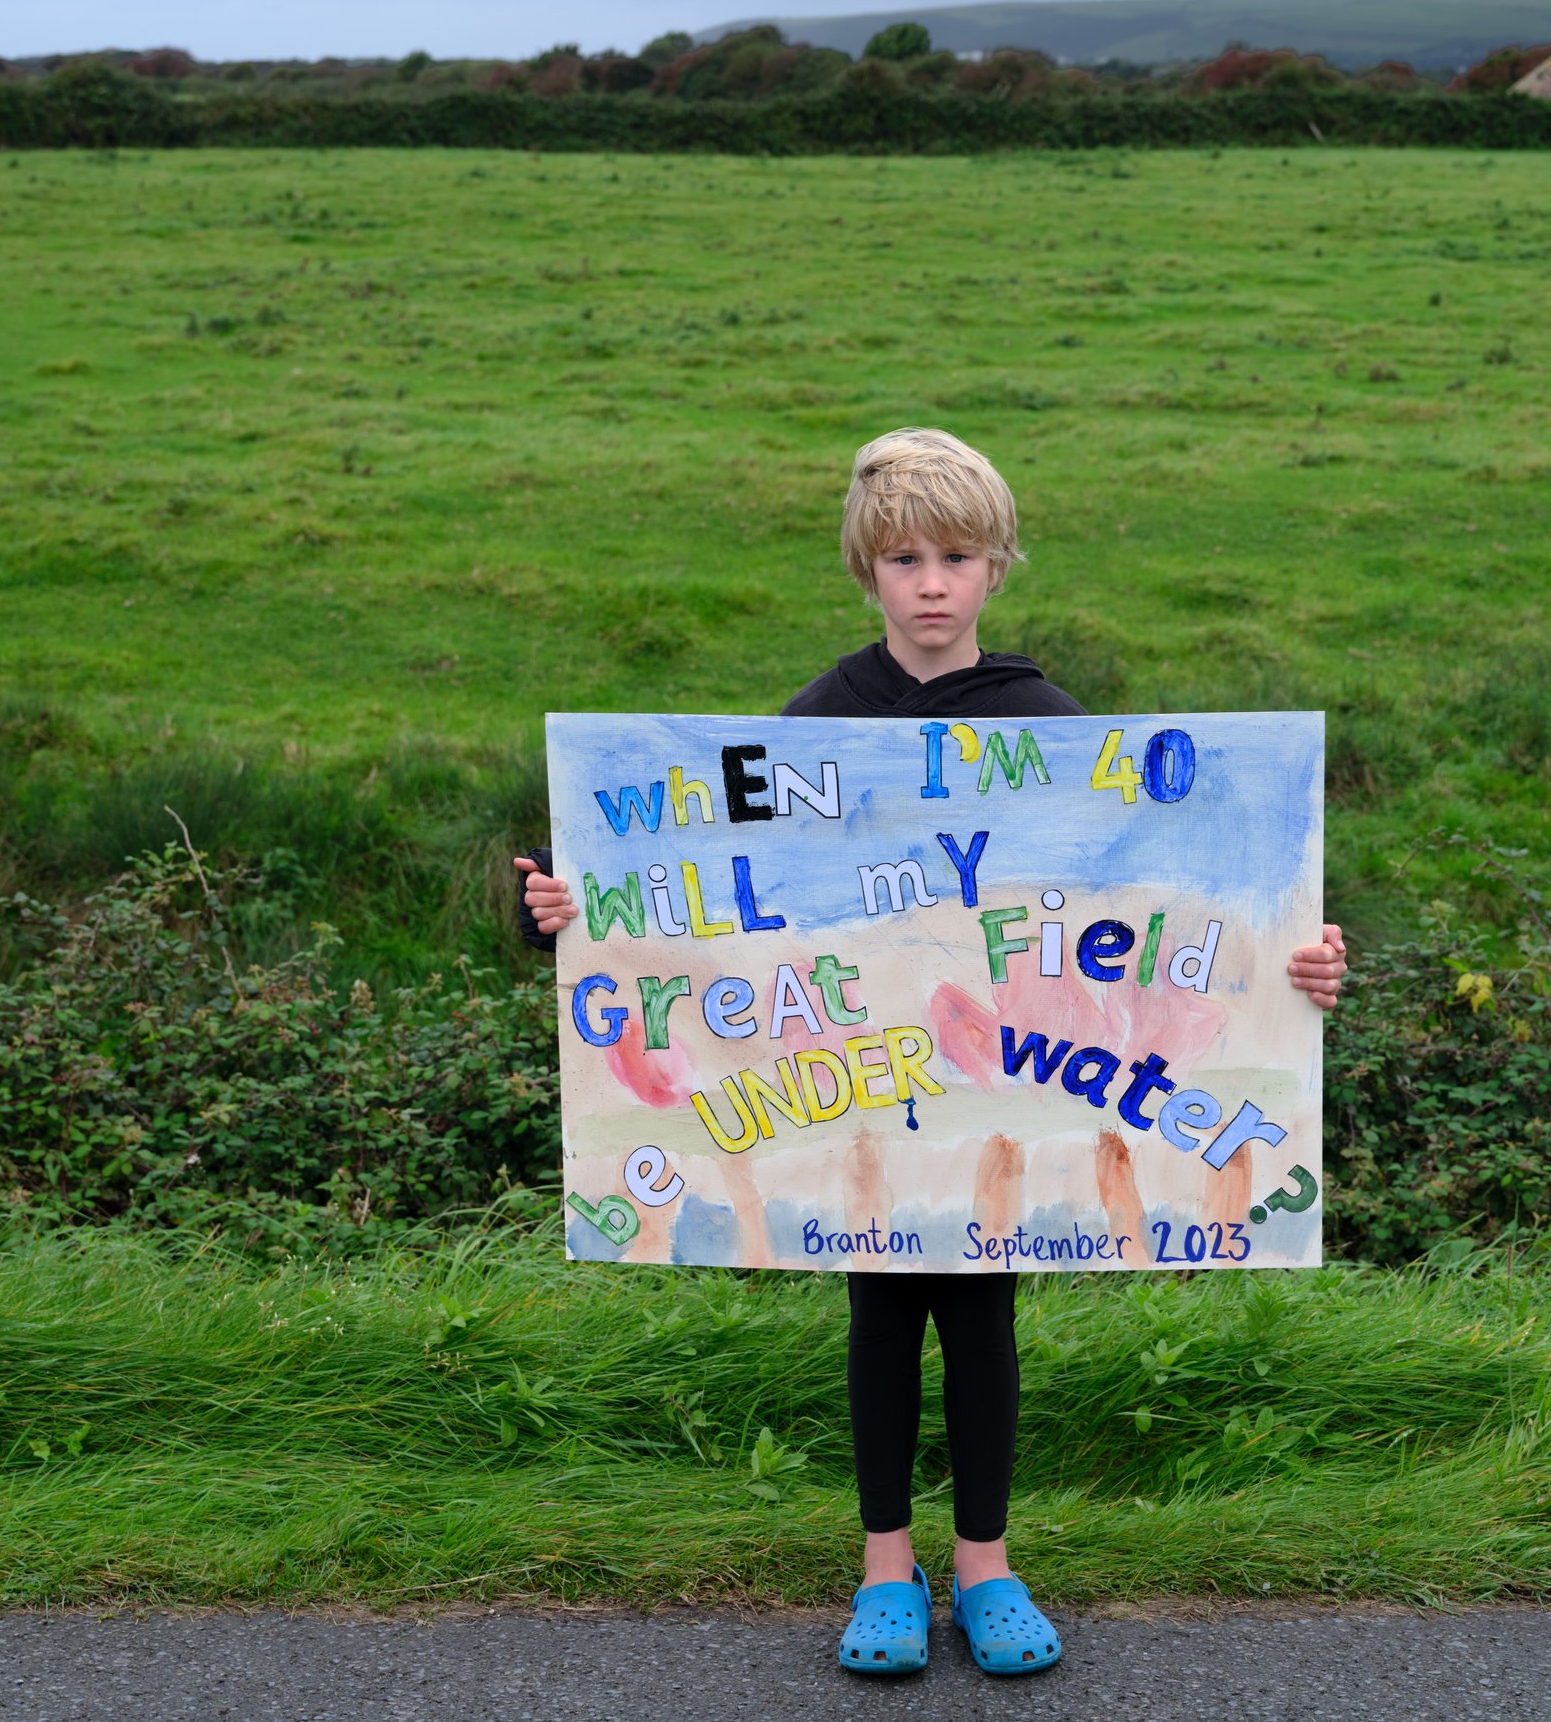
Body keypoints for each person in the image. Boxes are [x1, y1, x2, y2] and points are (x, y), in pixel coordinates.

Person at [515, 427, 1346, 1677]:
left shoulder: (1047, 722)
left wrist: (1301, 960)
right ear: (866, 571)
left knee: (981, 1317)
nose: (931, 582)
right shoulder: (820, 722)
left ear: (996, 566)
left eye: (955, 555)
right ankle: (883, 1574)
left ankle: (989, 1567)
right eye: (903, 557)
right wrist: (571, 916)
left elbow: (1158, 890)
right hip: (854, 1087)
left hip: (1001, 1087)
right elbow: (698, 889)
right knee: (879, 1319)